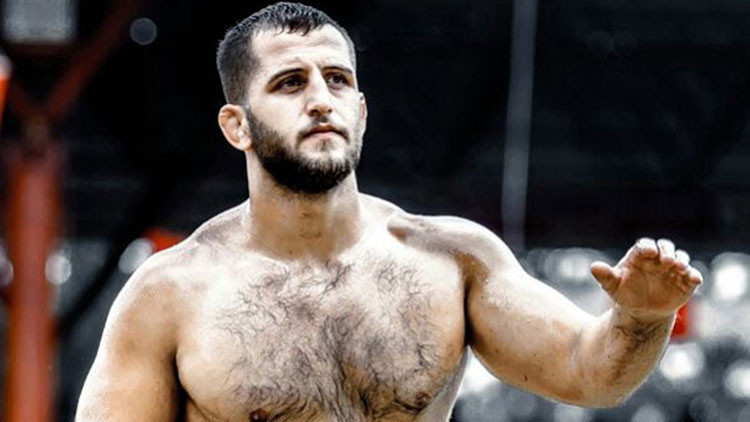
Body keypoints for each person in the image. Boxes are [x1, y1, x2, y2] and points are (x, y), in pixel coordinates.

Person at [76, 2, 703, 421]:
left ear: (361, 111)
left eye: (338, 80)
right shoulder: (169, 294)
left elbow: (588, 372)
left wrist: (641, 318)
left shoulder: (453, 259)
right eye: (290, 83)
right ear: (236, 125)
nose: (321, 100)